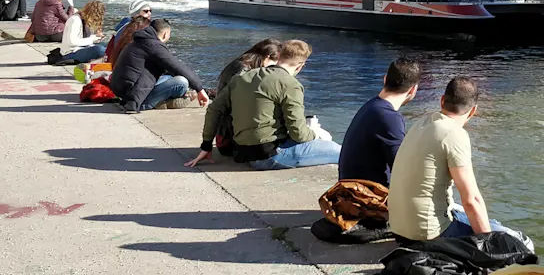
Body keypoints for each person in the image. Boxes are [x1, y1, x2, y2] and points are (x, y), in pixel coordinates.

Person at [387, 77, 526, 244]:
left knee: (491, 224)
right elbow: (471, 200)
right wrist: (489, 247)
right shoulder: (454, 133)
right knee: (516, 240)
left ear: (442, 100)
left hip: (398, 229)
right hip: (428, 235)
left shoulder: (423, 122)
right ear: (473, 110)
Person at [188, 39, 341, 169]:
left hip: (242, 152)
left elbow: (214, 110)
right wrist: (315, 133)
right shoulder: (290, 84)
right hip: (268, 156)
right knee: (341, 151)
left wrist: (206, 146)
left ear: (279, 56)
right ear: (301, 65)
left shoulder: (242, 77)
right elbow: (298, 133)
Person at [337, 58, 421, 186]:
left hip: (349, 191)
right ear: (413, 90)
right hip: (368, 197)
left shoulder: (371, 106)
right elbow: (401, 169)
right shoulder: (390, 117)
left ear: (385, 79)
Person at [109, 17, 208, 113]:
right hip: (132, 95)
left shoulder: (139, 40)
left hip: (123, 89)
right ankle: (150, 103)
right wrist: (200, 89)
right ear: (165, 34)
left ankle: (162, 101)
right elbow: (177, 66)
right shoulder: (154, 45)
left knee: (169, 77)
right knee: (182, 83)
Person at [50, 0, 107, 65]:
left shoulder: (84, 20)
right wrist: (92, 39)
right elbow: (72, 42)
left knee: (108, 47)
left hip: (82, 48)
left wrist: (96, 38)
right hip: (71, 52)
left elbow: (83, 38)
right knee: (100, 50)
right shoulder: (75, 20)